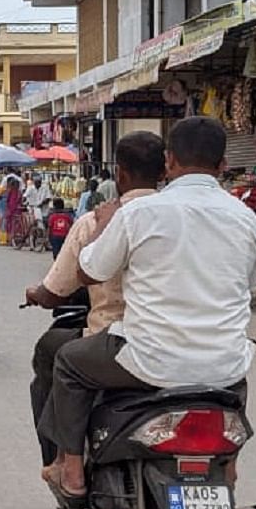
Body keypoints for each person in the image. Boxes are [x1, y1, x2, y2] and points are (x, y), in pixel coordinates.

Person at [46, 118, 256, 498]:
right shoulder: (245, 218)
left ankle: (71, 468)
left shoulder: (139, 213)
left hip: (149, 359)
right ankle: (228, 468)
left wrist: (105, 222)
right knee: (233, 379)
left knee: (68, 361)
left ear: (169, 161)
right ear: (222, 164)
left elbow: (88, 271)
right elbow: (249, 284)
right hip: (223, 364)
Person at [23, 132, 165, 477]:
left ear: (121, 173)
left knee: (54, 353)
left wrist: (37, 294)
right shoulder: (180, 217)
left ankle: (63, 462)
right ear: (165, 170)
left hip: (118, 339)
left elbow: (63, 286)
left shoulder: (99, 221)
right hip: (185, 341)